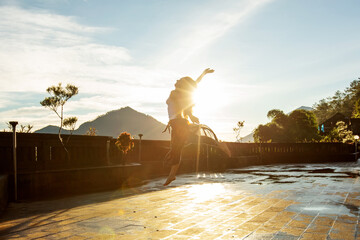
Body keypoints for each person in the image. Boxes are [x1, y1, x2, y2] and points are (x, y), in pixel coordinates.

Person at [163, 68, 214, 186]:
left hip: (178, 123)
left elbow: (182, 104)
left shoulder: (174, 93)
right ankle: (172, 174)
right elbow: (194, 84)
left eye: (180, 79)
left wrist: (190, 115)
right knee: (177, 149)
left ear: (181, 84)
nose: (177, 79)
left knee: (176, 149)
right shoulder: (181, 93)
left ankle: (171, 174)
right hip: (178, 123)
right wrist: (203, 74)